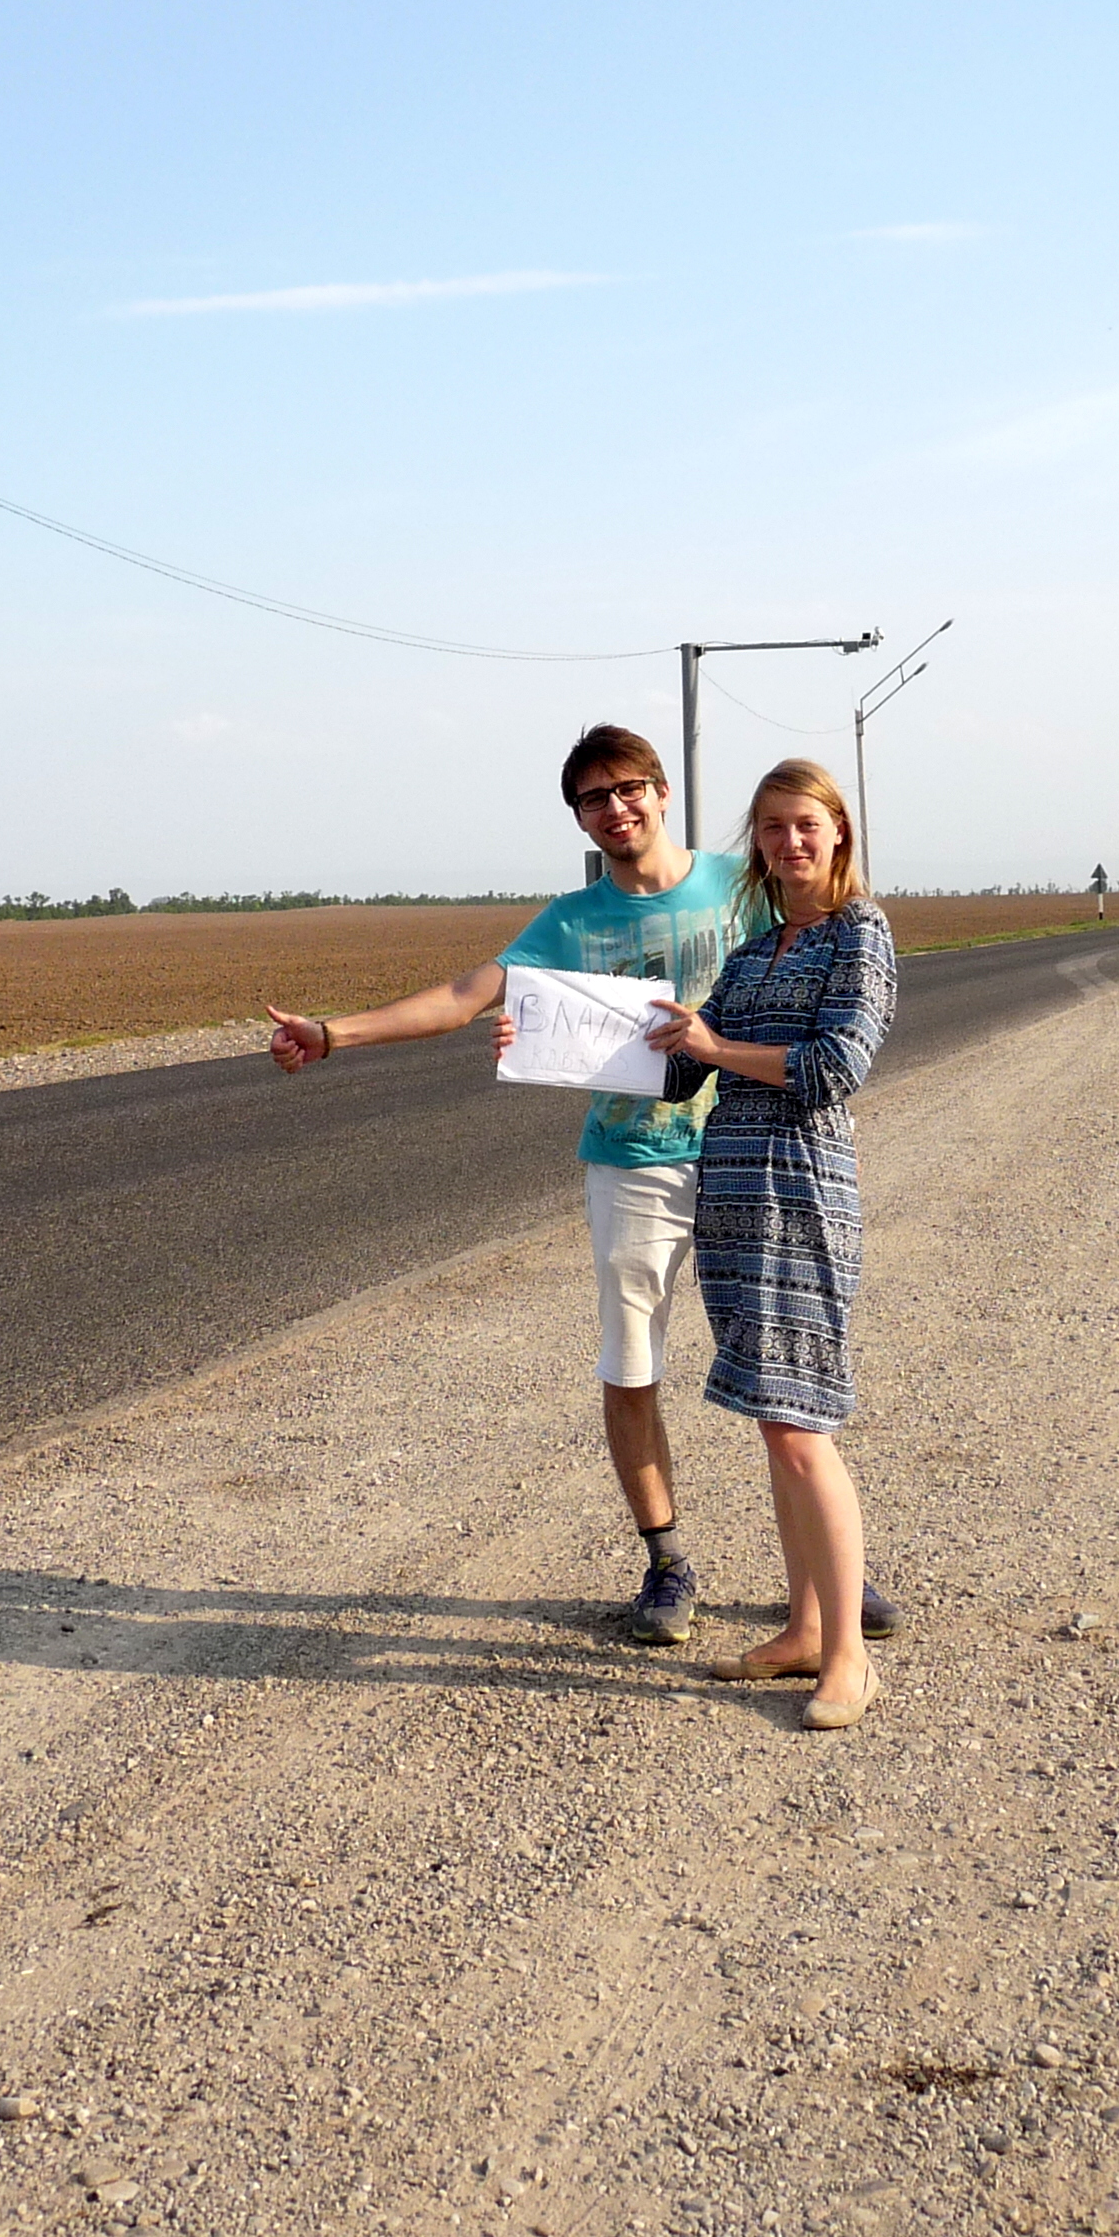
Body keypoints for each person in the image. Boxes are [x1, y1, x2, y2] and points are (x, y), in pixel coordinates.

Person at [262, 725, 903, 1651]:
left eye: (630, 789)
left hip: (753, 1157)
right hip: (632, 1161)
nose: (617, 809)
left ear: (663, 791)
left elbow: (828, 983)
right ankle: (668, 1561)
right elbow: (462, 994)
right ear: (579, 816)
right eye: (595, 799)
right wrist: (331, 1035)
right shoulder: (568, 920)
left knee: (783, 1370)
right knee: (633, 1359)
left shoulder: (751, 883)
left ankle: (832, 1587)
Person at [645, 758, 897, 1733]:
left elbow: (837, 1067)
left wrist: (712, 1051)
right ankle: (800, 1627)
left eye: (805, 825)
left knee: (801, 1427)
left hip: (800, 1189)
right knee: (773, 1420)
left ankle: (846, 1658)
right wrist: (618, 1039)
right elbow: (687, 1071)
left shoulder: (857, 934)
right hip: (733, 1195)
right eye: (772, 828)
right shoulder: (753, 951)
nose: (788, 842)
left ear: (838, 833)